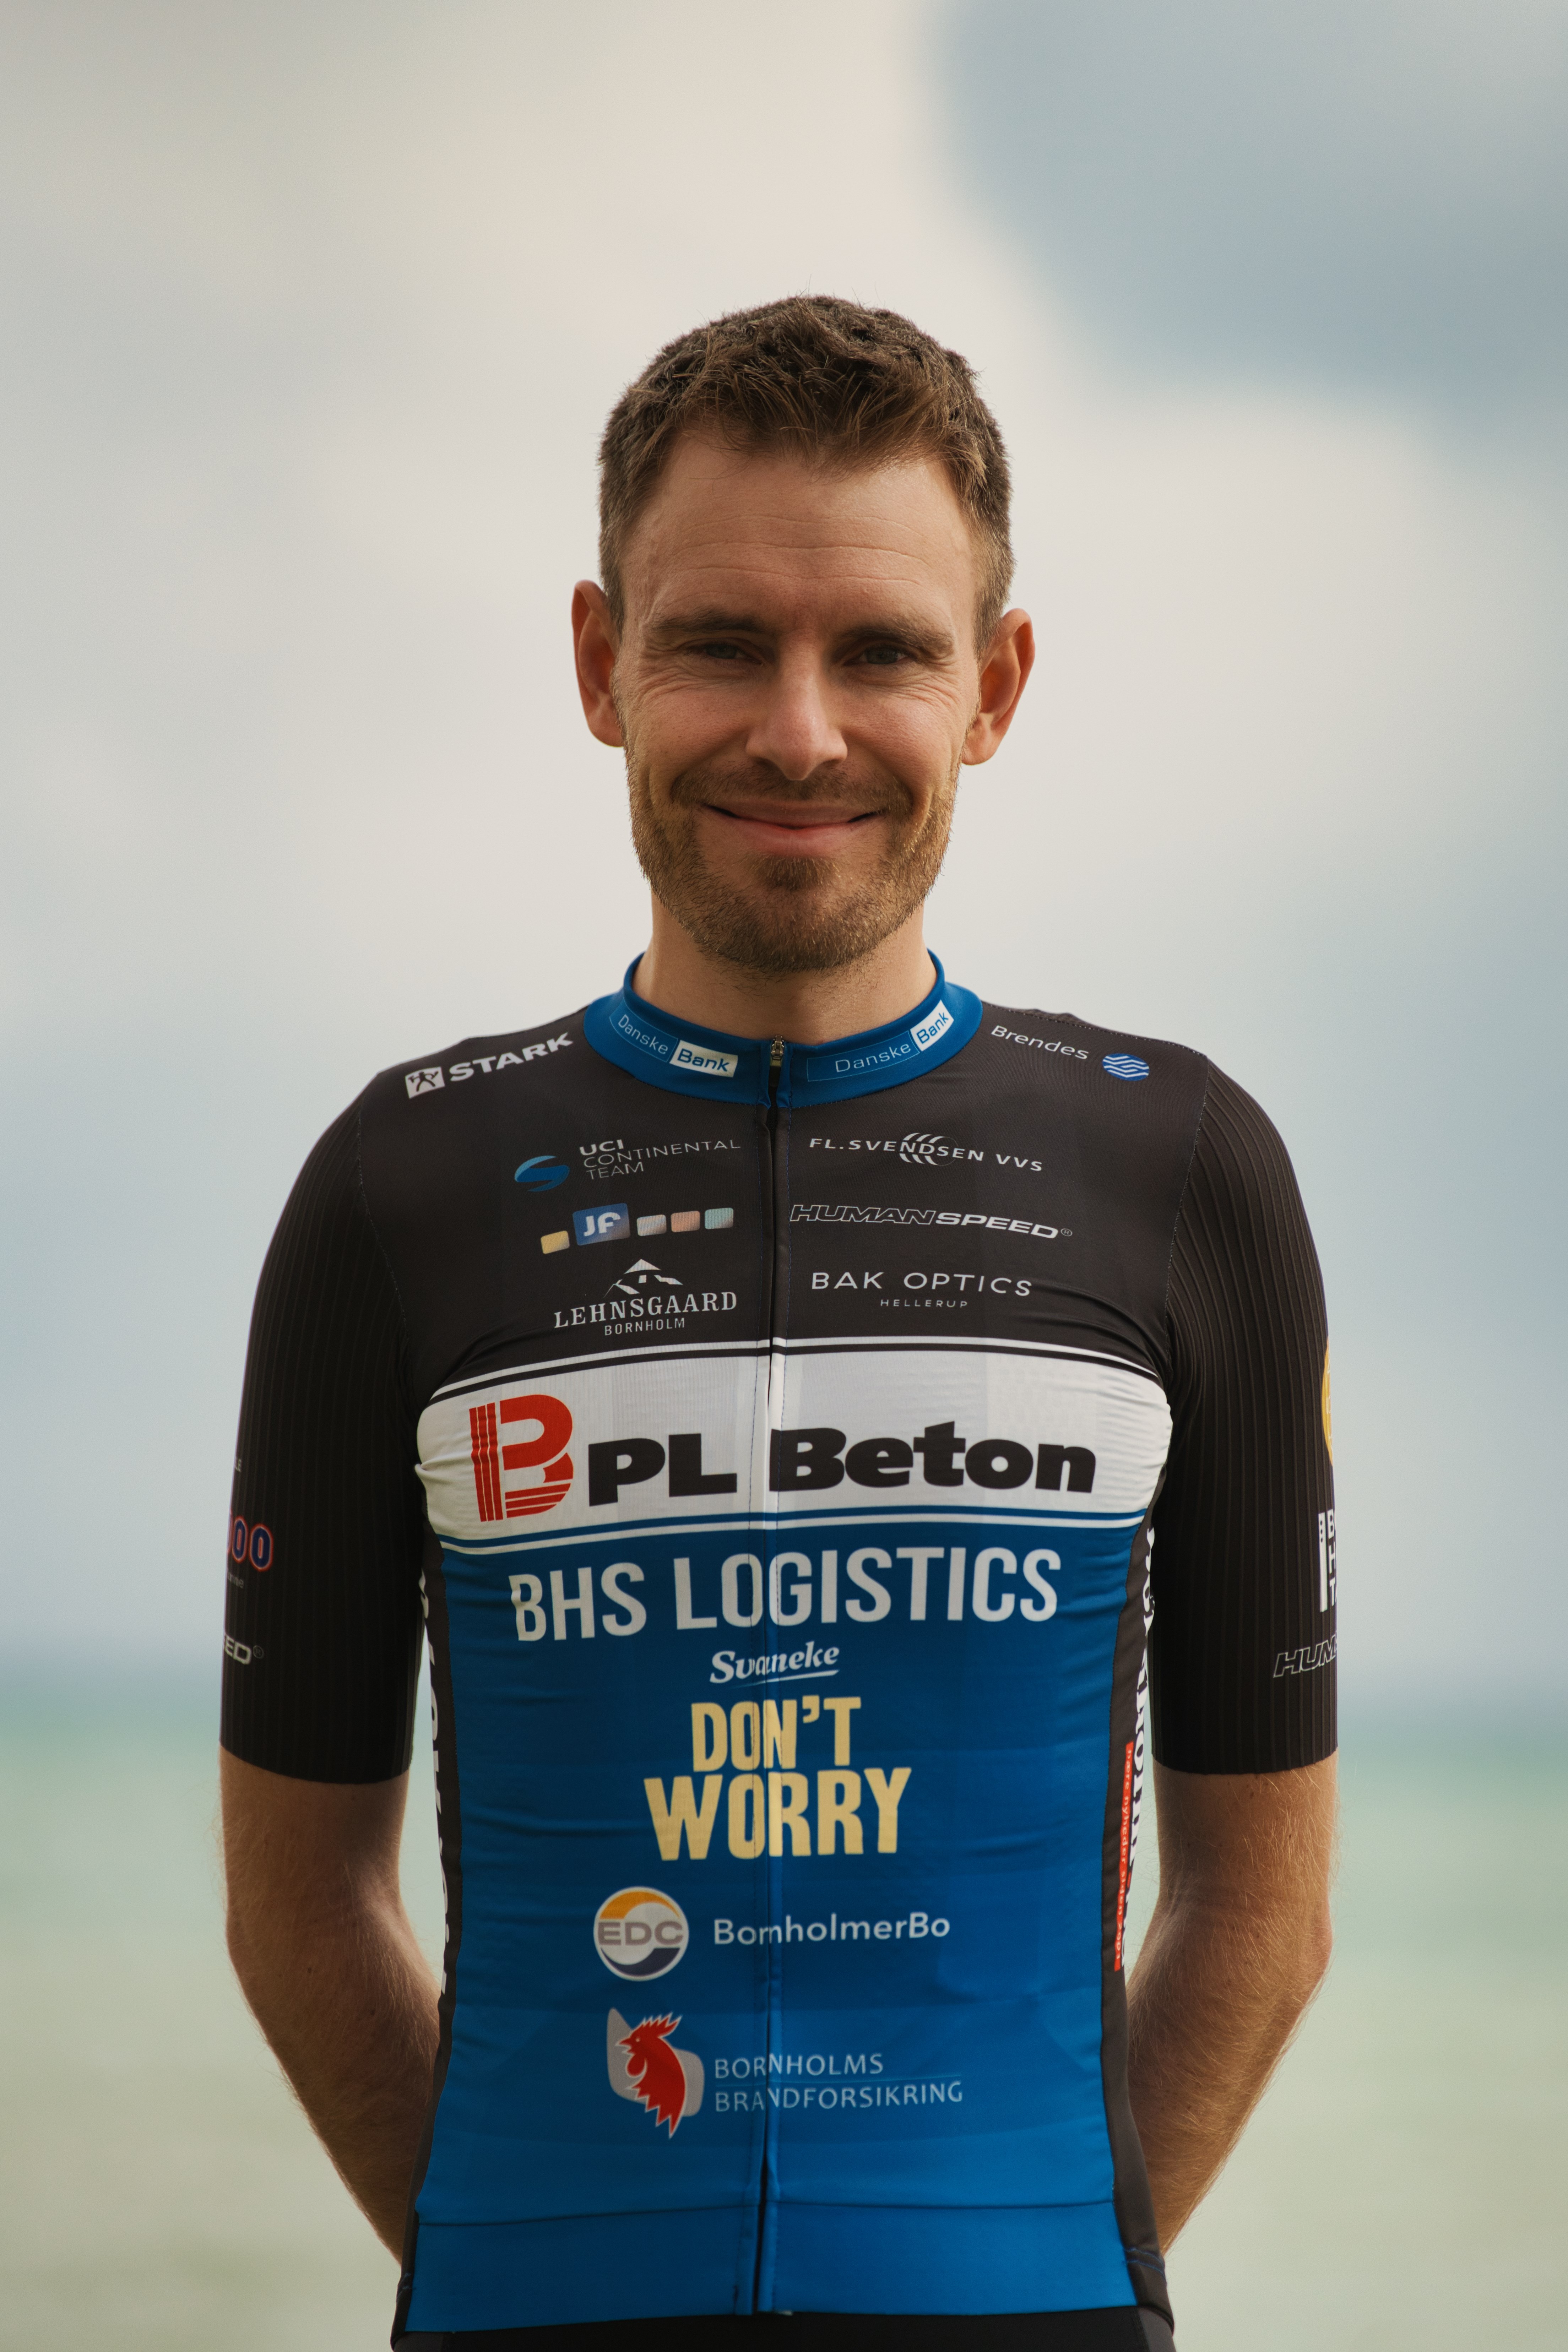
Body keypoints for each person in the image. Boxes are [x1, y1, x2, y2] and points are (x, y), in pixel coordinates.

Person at [219, 296, 1337, 2352]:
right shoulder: (399, 1185)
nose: (802, 733)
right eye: (721, 642)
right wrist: (523, 2256)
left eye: (884, 651)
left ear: (995, 686)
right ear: (600, 664)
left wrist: (1046, 2274)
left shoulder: (1185, 1171)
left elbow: (1262, 1909)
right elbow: (297, 1903)